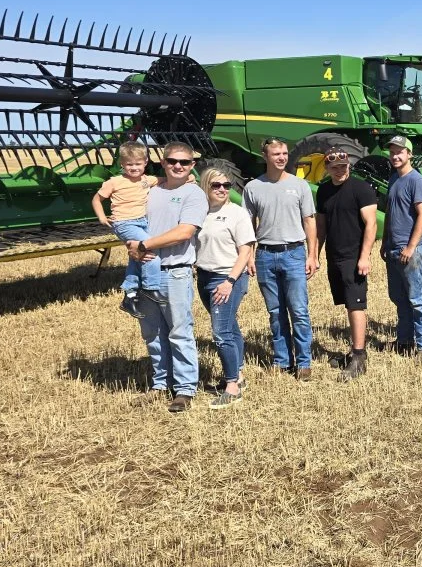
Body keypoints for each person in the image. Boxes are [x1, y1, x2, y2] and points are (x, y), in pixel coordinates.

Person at [124, 142, 208, 413]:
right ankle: (161, 384)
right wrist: (130, 244)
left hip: (175, 272)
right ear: (163, 162)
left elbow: (184, 232)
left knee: (179, 332)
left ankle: (184, 389)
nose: (178, 166)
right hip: (145, 270)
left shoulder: (193, 194)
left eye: (184, 162)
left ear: (192, 165)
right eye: (173, 161)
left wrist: (146, 246)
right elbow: (129, 219)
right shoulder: (150, 191)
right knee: (152, 333)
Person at [243, 137, 318, 381]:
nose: (282, 157)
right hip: (265, 255)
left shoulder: (300, 186)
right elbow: (248, 225)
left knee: (299, 311)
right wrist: (250, 256)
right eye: (276, 154)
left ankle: (304, 362)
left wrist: (312, 254)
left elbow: (309, 221)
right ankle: (282, 360)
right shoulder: (252, 188)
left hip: (294, 253)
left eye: (284, 153)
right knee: (275, 312)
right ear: (265, 156)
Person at [193, 168, 255, 409]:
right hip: (204, 276)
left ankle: (231, 386)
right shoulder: (199, 214)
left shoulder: (236, 214)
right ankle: (238, 374)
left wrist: (229, 281)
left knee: (221, 333)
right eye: (216, 185)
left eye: (226, 185)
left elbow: (245, 251)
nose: (222, 189)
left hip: (228, 277)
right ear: (206, 187)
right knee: (230, 327)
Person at [315, 146, 379, 379]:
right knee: (347, 304)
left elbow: (371, 224)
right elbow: (320, 226)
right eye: (335, 167)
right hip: (335, 256)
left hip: (354, 257)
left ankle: (359, 356)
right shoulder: (323, 191)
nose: (340, 171)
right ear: (327, 168)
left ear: (349, 165)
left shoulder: (361, 189)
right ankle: (354, 351)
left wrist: (365, 257)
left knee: (356, 305)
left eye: (344, 166)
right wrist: (314, 254)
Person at [92, 140, 161, 318]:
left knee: (136, 257)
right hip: (125, 223)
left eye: (138, 164)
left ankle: (129, 296)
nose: (134, 168)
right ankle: (150, 290)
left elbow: (164, 180)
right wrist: (101, 217)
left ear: (145, 163)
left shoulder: (147, 180)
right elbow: (96, 199)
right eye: (129, 164)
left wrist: (189, 178)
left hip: (143, 222)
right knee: (149, 253)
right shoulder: (114, 182)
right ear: (122, 164)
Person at [380, 136, 422, 360]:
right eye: (392, 152)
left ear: (409, 154)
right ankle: (404, 341)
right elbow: (391, 214)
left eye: (400, 152)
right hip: (393, 248)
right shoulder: (394, 179)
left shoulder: (416, 180)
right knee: (399, 298)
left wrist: (411, 246)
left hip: (411, 250)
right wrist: (384, 241)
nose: (395, 156)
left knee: (417, 298)